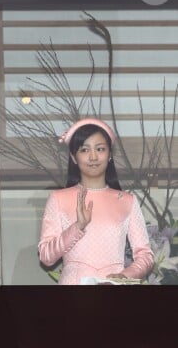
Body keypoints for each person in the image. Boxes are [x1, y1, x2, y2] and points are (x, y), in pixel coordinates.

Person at [38, 118, 154, 285]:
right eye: (85, 150)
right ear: (74, 156)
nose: (93, 157)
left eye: (100, 149)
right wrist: (78, 227)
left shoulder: (128, 201)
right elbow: (46, 257)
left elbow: (145, 255)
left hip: (114, 294)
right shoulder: (58, 199)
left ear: (109, 155)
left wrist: (125, 276)